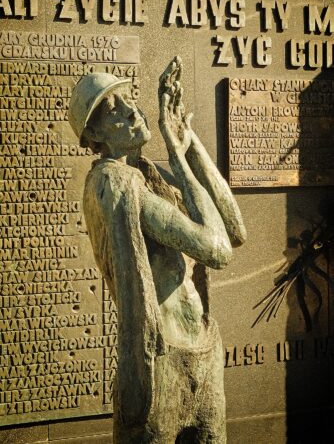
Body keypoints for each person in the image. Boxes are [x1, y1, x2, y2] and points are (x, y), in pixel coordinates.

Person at [68, 56, 246, 443]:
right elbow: (216, 250)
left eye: (130, 98)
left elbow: (233, 228)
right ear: (94, 136)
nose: (133, 111)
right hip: (160, 365)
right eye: (113, 110)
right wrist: (177, 155)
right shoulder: (114, 184)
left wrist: (187, 141)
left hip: (203, 350)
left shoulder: (147, 174)